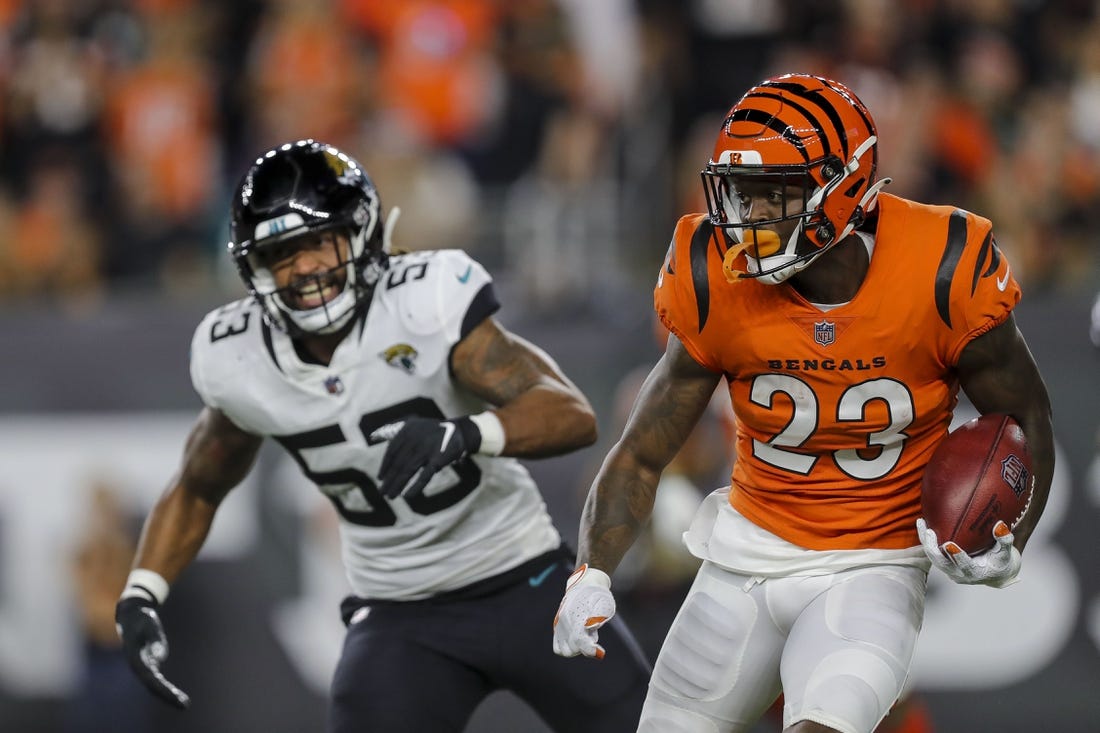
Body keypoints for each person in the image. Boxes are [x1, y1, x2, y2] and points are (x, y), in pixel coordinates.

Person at [552, 73, 1054, 733]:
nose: (745, 221)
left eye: (770, 199)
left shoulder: (940, 267)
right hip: (742, 559)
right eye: (739, 197)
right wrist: (591, 572)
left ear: (843, 190)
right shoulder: (713, 276)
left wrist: (1010, 534)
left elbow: (1027, 417)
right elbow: (642, 451)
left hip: (873, 565)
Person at [114, 139, 650, 732]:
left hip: (522, 578)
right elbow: (198, 485)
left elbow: (570, 412)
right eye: (281, 253)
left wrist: (467, 434)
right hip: (399, 613)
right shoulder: (238, 358)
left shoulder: (424, 301)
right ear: (253, 267)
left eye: (318, 241)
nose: (306, 267)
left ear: (361, 233)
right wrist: (142, 591)